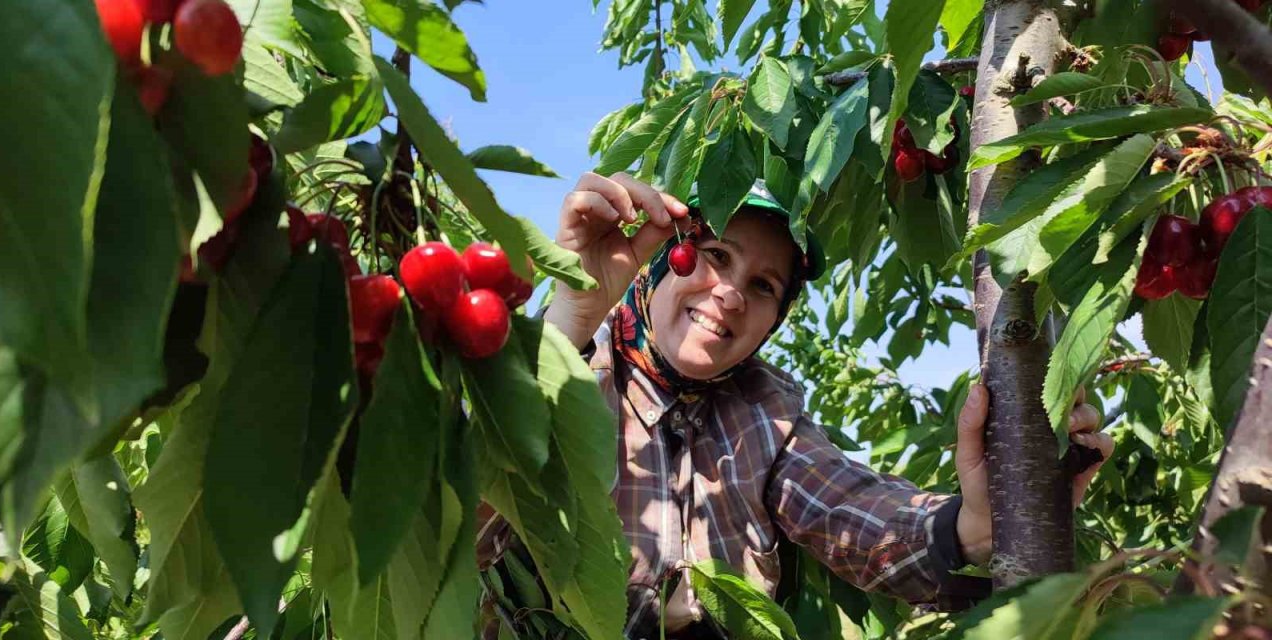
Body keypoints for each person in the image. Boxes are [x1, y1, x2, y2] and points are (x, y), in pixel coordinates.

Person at [477, 172, 1114, 639]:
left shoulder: (763, 408)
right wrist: (572, 314)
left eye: (763, 286)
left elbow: (852, 511)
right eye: (715, 256)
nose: (730, 294)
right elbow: (456, 521)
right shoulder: (568, 370)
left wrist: (972, 524)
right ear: (659, 263)